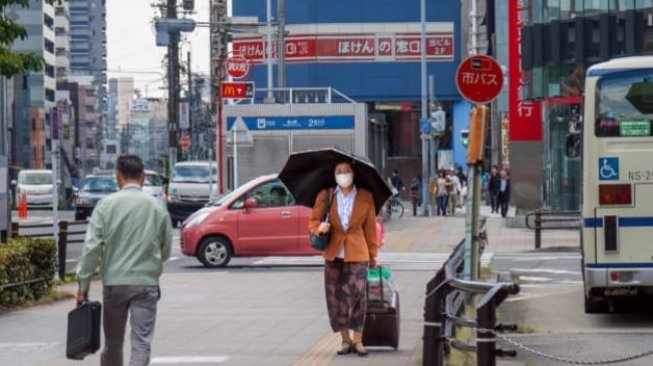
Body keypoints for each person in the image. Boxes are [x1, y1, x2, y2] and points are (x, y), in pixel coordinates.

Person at [76, 155, 173, 366]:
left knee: (113, 344)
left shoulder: (105, 206)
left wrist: (83, 284)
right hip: (146, 284)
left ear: (118, 177)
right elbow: (165, 248)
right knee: (141, 343)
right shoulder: (156, 207)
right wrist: (153, 263)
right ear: (143, 178)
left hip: (114, 284)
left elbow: (92, 248)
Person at [309, 160, 378, 357]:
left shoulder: (366, 197)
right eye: (339, 171)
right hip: (333, 252)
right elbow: (313, 221)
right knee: (334, 298)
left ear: (353, 174)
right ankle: (345, 340)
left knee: (356, 295)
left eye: (346, 171)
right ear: (334, 174)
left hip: (358, 251)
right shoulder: (326, 195)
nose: (343, 174)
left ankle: (359, 340)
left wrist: (373, 255)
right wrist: (319, 228)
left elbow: (370, 230)